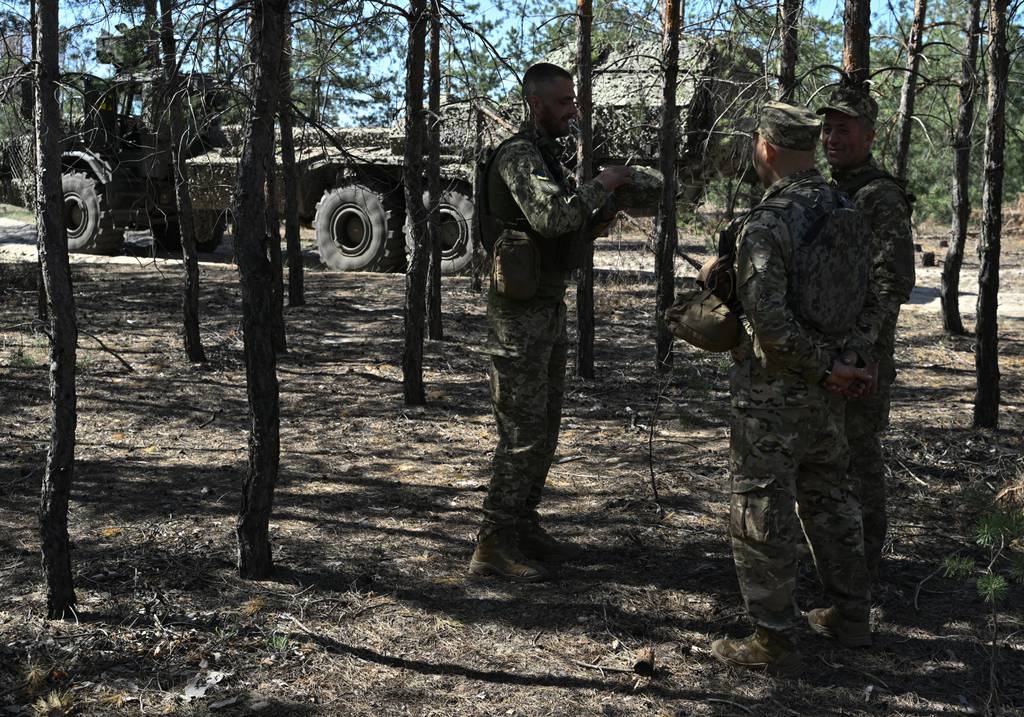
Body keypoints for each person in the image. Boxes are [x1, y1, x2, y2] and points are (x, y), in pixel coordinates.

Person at [709, 102, 876, 675]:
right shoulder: (844, 206)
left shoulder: (770, 220)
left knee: (759, 504)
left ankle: (774, 639)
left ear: (767, 148)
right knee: (831, 497)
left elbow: (769, 323)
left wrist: (824, 366)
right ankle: (852, 617)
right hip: (830, 392)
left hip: (774, 395)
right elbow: (870, 294)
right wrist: (848, 358)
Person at [468, 63, 633, 582]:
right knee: (521, 432)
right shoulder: (517, 156)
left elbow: (567, 225)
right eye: (563, 103)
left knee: (545, 427)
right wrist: (599, 185)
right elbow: (552, 218)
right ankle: (493, 543)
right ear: (536, 104)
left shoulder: (545, 159)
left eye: (573, 102)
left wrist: (600, 206)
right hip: (518, 320)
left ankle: (523, 524)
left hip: (546, 310)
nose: (572, 112)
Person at [818, 88, 916, 581]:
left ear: (870, 136)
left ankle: (866, 565)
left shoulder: (880, 195)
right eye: (828, 129)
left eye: (844, 130)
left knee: (859, 457)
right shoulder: (827, 188)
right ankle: (836, 562)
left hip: (864, 355)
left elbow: (893, 280)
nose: (832, 138)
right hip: (826, 351)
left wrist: (861, 347)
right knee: (827, 459)